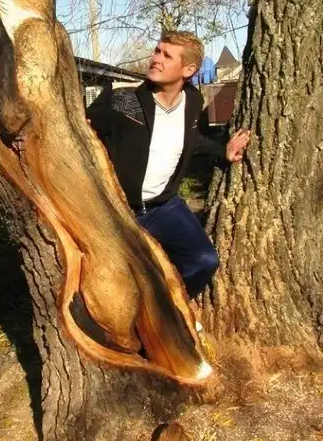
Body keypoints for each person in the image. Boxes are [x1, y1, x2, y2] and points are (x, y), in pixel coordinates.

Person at [87, 29, 250, 299]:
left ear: (188, 69)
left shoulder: (193, 100)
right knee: (120, 282)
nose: (156, 59)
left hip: (164, 207)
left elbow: (191, 140)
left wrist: (223, 152)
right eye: (157, 51)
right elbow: (83, 134)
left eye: (167, 55)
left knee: (204, 261)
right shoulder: (121, 99)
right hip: (118, 209)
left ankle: (171, 310)